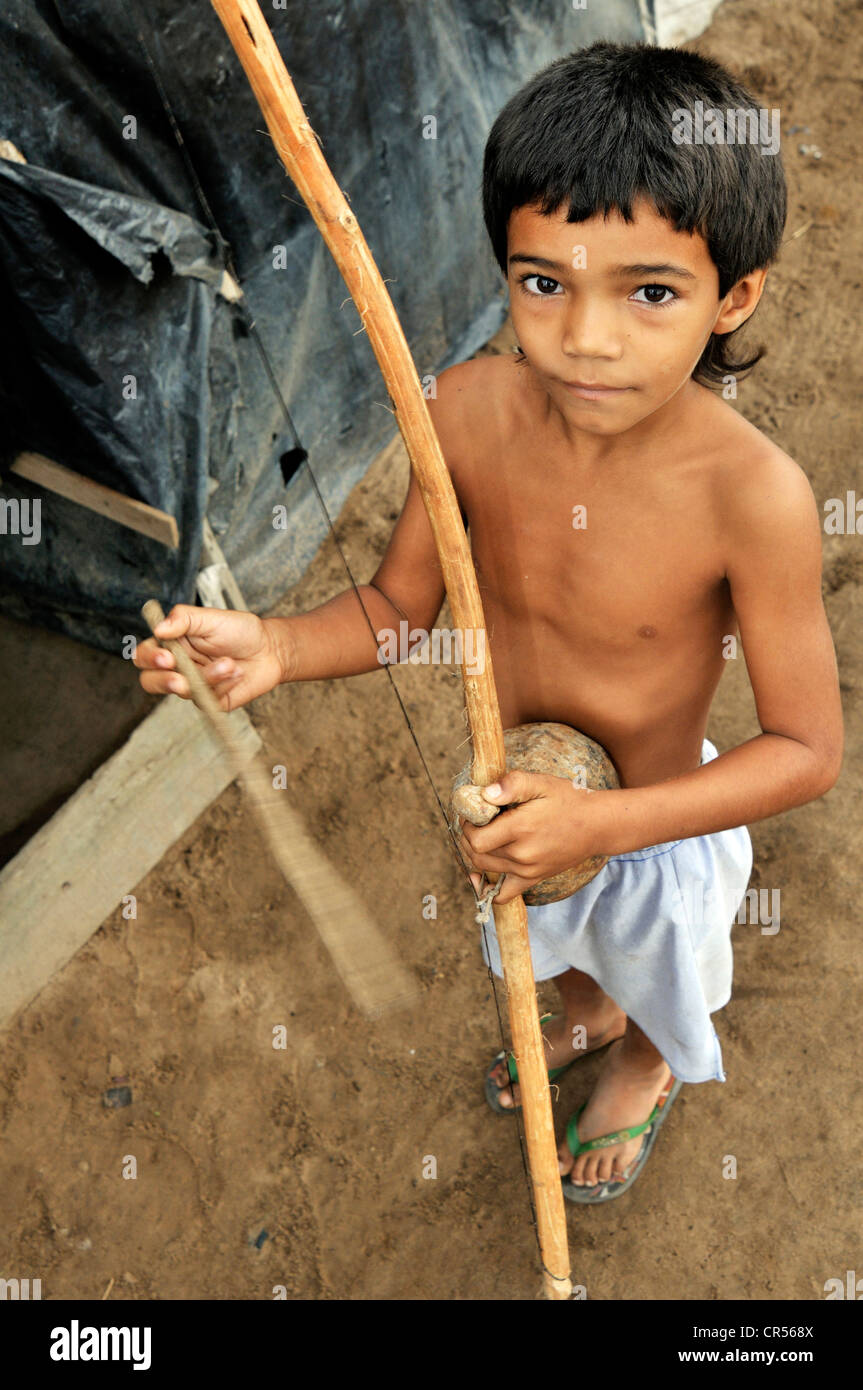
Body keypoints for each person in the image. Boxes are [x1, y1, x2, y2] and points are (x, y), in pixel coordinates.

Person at [134, 41, 842, 1204]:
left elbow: (805, 750)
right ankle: (586, 1016)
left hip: (655, 827)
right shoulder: (463, 411)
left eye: (649, 292)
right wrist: (276, 645)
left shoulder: (747, 496)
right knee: (550, 954)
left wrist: (605, 823)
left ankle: (644, 1064)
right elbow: (398, 611)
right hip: (514, 807)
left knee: (660, 979)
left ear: (734, 295)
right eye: (542, 281)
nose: (585, 337)